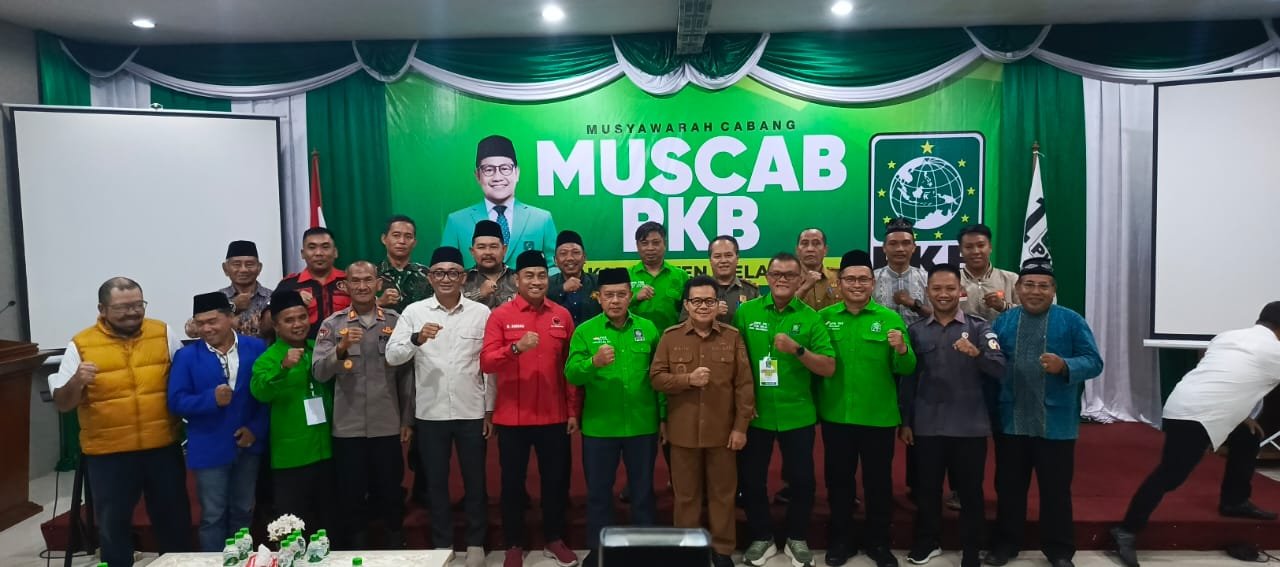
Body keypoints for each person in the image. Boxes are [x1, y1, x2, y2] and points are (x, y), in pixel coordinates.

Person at [1111, 302, 1280, 567]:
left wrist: (1241, 415)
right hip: (1195, 415)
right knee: (1170, 475)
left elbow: (1223, 374)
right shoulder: (1274, 351)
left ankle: (1235, 501)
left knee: (1247, 437)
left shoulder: (1227, 336)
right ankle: (1126, 529)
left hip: (1182, 402)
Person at [50, 277, 191, 566]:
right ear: (102, 309)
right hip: (109, 455)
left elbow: (184, 380)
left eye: (138, 305)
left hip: (162, 447)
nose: (132, 312)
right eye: (122, 307)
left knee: (174, 522)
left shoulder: (162, 332)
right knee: (113, 527)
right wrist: (77, 381)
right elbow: (64, 403)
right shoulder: (81, 344)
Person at [984, 258, 1103, 567]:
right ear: (1018, 288)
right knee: (1008, 489)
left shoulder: (1071, 320)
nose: (1035, 291)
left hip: (1056, 424)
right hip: (1011, 421)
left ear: (1053, 290)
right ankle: (1005, 545)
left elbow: (1094, 361)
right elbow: (992, 361)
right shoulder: (1004, 322)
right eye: (1029, 285)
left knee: (1055, 491)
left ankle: (1060, 551)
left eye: (1043, 286)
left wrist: (1065, 365)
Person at [387, 246, 494, 566]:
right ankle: (442, 544)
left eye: (452, 273)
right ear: (430, 277)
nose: (446, 279)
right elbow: (393, 356)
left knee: (476, 481)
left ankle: (476, 543)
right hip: (430, 413)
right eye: (439, 273)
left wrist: (489, 410)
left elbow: (489, 367)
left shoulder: (481, 313)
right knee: (435, 483)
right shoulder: (414, 312)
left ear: (463, 277)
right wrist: (416, 339)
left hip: (471, 410)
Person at [734, 253, 837, 567]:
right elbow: (734, 360)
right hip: (756, 413)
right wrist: (742, 404)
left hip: (798, 412)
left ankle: (797, 538)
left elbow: (828, 367)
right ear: (767, 277)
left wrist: (798, 350)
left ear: (799, 279)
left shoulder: (810, 318)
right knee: (752, 481)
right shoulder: (746, 312)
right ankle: (761, 537)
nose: (782, 280)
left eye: (789, 275)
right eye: (776, 274)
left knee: (802, 481)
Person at [899, 264, 1005, 567]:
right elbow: (908, 380)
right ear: (927, 292)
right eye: (937, 289)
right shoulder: (916, 331)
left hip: (969, 426)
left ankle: (971, 549)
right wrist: (905, 422)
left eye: (949, 288)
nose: (943, 294)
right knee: (927, 490)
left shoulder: (980, 328)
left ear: (960, 291)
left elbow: (1000, 368)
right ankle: (927, 542)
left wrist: (977, 354)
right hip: (927, 425)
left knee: (970, 493)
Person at [480, 250, 581, 567]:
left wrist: (572, 410)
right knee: (512, 484)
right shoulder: (500, 316)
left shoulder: (562, 315)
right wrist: (515, 347)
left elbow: (570, 369)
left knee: (555, 481)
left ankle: (554, 538)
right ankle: (514, 543)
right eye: (529, 276)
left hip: (553, 415)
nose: (536, 281)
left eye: (541, 275)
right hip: (513, 417)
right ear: (516, 280)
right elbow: (486, 362)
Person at [817, 251, 916, 567]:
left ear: (873, 283)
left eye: (863, 279)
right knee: (839, 482)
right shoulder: (824, 318)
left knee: (878, 484)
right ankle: (841, 541)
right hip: (837, 415)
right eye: (850, 279)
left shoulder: (889, 319)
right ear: (840, 282)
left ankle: (879, 544)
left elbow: (907, 368)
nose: (857, 285)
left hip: (878, 417)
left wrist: (902, 348)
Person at [652, 275, 756, 567]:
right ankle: (688, 549)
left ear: (717, 304)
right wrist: (687, 379)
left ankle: (722, 549)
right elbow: (656, 378)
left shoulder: (732, 337)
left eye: (709, 301)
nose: (702, 306)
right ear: (686, 305)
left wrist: (740, 428)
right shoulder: (670, 337)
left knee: (723, 494)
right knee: (686, 496)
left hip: (722, 433)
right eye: (696, 301)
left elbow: (744, 385)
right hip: (682, 432)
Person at [313, 261, 414, 549]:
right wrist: (340, 349)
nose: (362, 286)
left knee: (391, 491)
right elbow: (319, 372)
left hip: (386, 423)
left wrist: (407, 419)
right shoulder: (333, 324)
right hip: (348, 427)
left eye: (368, 280)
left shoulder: (395, 322)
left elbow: (407, 377)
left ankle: (395, 546)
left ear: (378, 283)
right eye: (355, 281)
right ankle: (356, 549)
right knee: (351, 493)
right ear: (345, 286)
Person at [565, 267, 662, 567]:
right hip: (600, 427)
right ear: (599, 297)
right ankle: (599, 551)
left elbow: (660, 376)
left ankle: (646, 552)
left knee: (642, 493)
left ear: (630, 296)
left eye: (621, 294)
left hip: (642, 425)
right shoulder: (585, 331)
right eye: (609, 295)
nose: (615, 301)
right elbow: (571, 374)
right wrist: (593, 362)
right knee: (598, 494)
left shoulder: (648, 329)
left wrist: (664, 418)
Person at [168, 292, 269, 552]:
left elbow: (266, 397)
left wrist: (256, 430)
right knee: (213, 516)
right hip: (209, 447)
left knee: (243, 511)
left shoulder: (256, 348)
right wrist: (209, 399)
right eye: (200, 323)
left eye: (212, 321)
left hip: (248, 446)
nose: (206, 328)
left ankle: (241, 559)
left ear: (230, 318)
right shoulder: (187, 357)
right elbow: (176, 401)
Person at [250, 289, 334, 531]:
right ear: (276, 326)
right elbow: (260, 392)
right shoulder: (268, 358)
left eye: (302, 317)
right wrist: (283, 367)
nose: (298, 324)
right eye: (289, 320)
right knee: (295, 525)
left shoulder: (317, 349)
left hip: (327, 449)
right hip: (292, 456)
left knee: (328, 521)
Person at [441, 134, 557, 269]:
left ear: (517, 173)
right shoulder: (457, 221)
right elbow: (446, 268)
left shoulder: (541, 219)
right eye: (489, 170)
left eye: (505, 168)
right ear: (477, 176)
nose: (497, 177)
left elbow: (554, 267)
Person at [186, 240, 274, 339]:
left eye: (249, 264)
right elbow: (191, 331)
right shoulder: (216, 298)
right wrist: (232, 307)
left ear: (259, 268)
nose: (243, 269)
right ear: (225, 269)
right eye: (237, 264)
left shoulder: (273, 297)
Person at [276, 227, 350, 339]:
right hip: (305, 348)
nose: (318, 253)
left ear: (335, 252)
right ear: (302, 253)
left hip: (347, 346)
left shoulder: (350, 281)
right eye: (312, 247)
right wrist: (291, 299)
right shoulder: (288, 285)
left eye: (325, 247)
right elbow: (268, 324)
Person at [628, 221, 690, 331]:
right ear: (637, 246)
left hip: (671, 337)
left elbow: (689, 312)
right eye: (644, 243)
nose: (650, 248)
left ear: (665, 244)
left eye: (656, 243)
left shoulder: (681, 275)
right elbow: (613, 309)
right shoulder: (626, 275)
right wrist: (635, 298)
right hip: (634, 337)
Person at [874, 218, 931, 326]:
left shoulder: (927, 278)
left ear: (913, 247)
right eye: (893, 243)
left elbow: (940, 316)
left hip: (918, 336)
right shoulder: (873, 279)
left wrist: (913, 303)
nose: (900, 249)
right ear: (884, 248)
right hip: (881, 335)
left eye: (906, 243)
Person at [956, 224, 1019, 321]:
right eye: (968, 247)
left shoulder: (1011, 279)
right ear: (960, 250)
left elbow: (1027, 313)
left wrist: (1003, 306)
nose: (976, 251)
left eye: (981, 245)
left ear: (990, 247)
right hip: (963, 331)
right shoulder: (952, 281)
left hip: (1001, 331)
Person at [696, 234, 760, 324]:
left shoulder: (751, 291)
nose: (723, 261)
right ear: (710, 260)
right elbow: (684, 325)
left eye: (728, 255)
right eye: (717, 256)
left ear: (737, 258)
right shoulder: (697, 290)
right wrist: (709, 314)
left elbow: (760, 323)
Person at [378, 214, 433, 313]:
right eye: (396, 235)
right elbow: (355, 312)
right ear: (384, 239)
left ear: (414, 242)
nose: (402, 241)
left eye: (408, 236)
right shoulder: (372, 275)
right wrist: (379, 302)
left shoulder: (427, 274)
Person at [548, 230, 601, 325]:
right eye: (563, 253)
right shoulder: (547, 285)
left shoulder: (599, 282)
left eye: (576, 252)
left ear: (584, 257)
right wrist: (562, 289)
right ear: (555, 260)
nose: (570, 258)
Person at [464, 220, 518, 309]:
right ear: (472, 252)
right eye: (481, 247)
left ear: (504, 250)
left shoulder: (518, 278)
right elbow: (453, 308)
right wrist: (479, 294)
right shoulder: (462, 279)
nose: (488, 252)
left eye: (493, 247)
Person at [794, 228, 840, 311]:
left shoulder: (839, 278)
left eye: (816, 244)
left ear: (825, 250)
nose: (810, 249)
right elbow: (781, 310)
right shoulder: (787, 279)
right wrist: (803, 289)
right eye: (804, 244)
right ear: (797, 250)